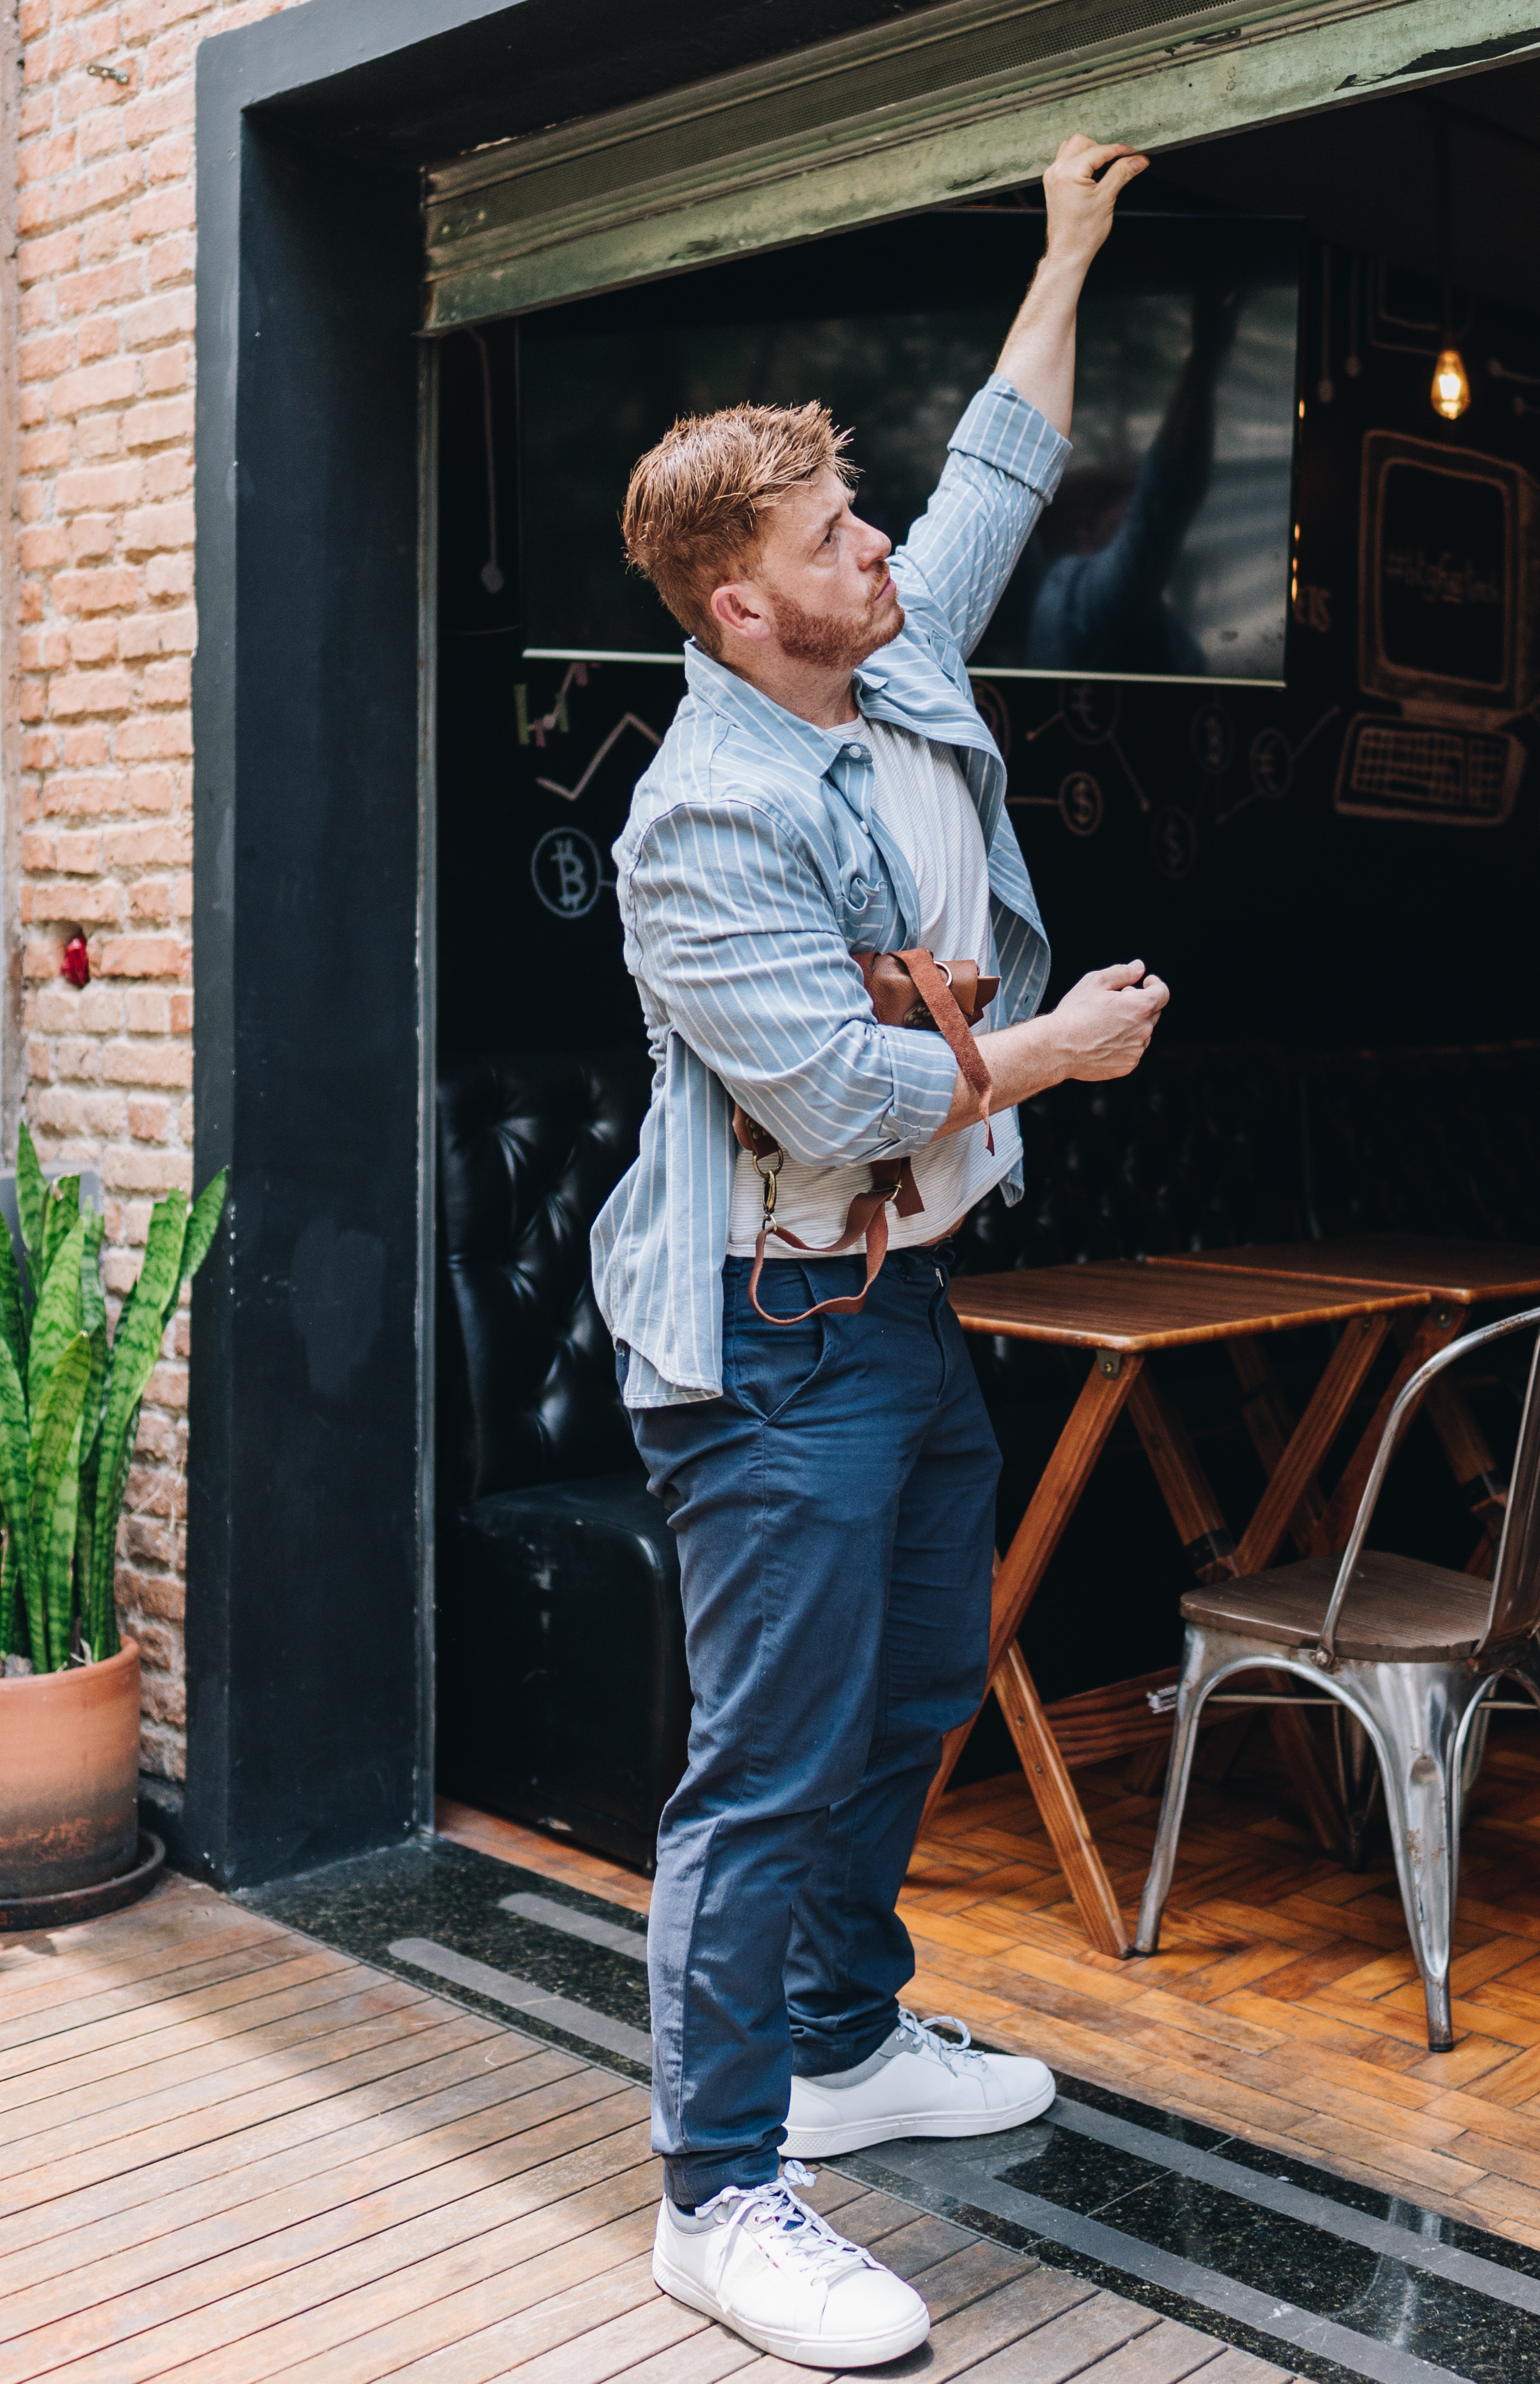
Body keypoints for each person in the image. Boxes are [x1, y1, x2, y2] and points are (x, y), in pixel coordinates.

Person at [593, 134, 1175, 2370]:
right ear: (745, 606)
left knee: (922, 1683)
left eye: (860, 520)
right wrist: (1060, 1052)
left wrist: (1070, 251)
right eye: (835, 539)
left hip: (900, 1309)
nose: (878, 550)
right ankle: (719, 2190)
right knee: (764, 1757)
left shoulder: (892, 662)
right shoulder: (702, 824)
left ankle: (843, 2037)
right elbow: (837, 1105)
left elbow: (1000, 481)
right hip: (766, 1333)